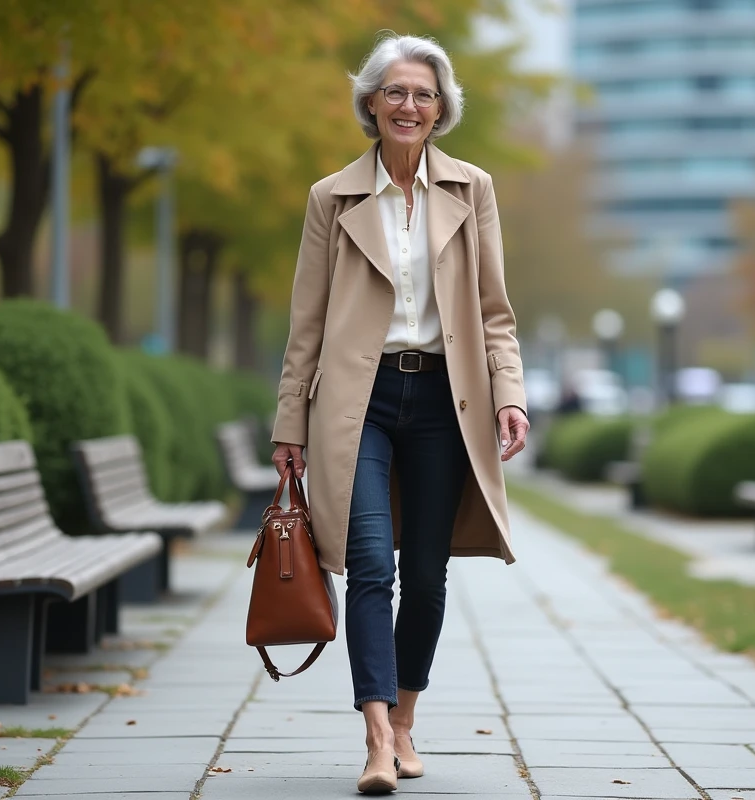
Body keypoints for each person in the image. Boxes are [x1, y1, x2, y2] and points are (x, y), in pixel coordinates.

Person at [269, 33, 530, 795]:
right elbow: (306, 322)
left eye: (422, 94)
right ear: (372, 104)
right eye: (394, 92)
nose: (408, 105)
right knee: (370, 566)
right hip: (359, 402)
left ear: (440, 109)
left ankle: (408, 717)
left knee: (426, 572)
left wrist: (509, 394)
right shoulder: (331, 197)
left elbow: (495, 311)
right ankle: (377, 737)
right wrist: (289, 424)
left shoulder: (472, 190)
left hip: (446, 400)